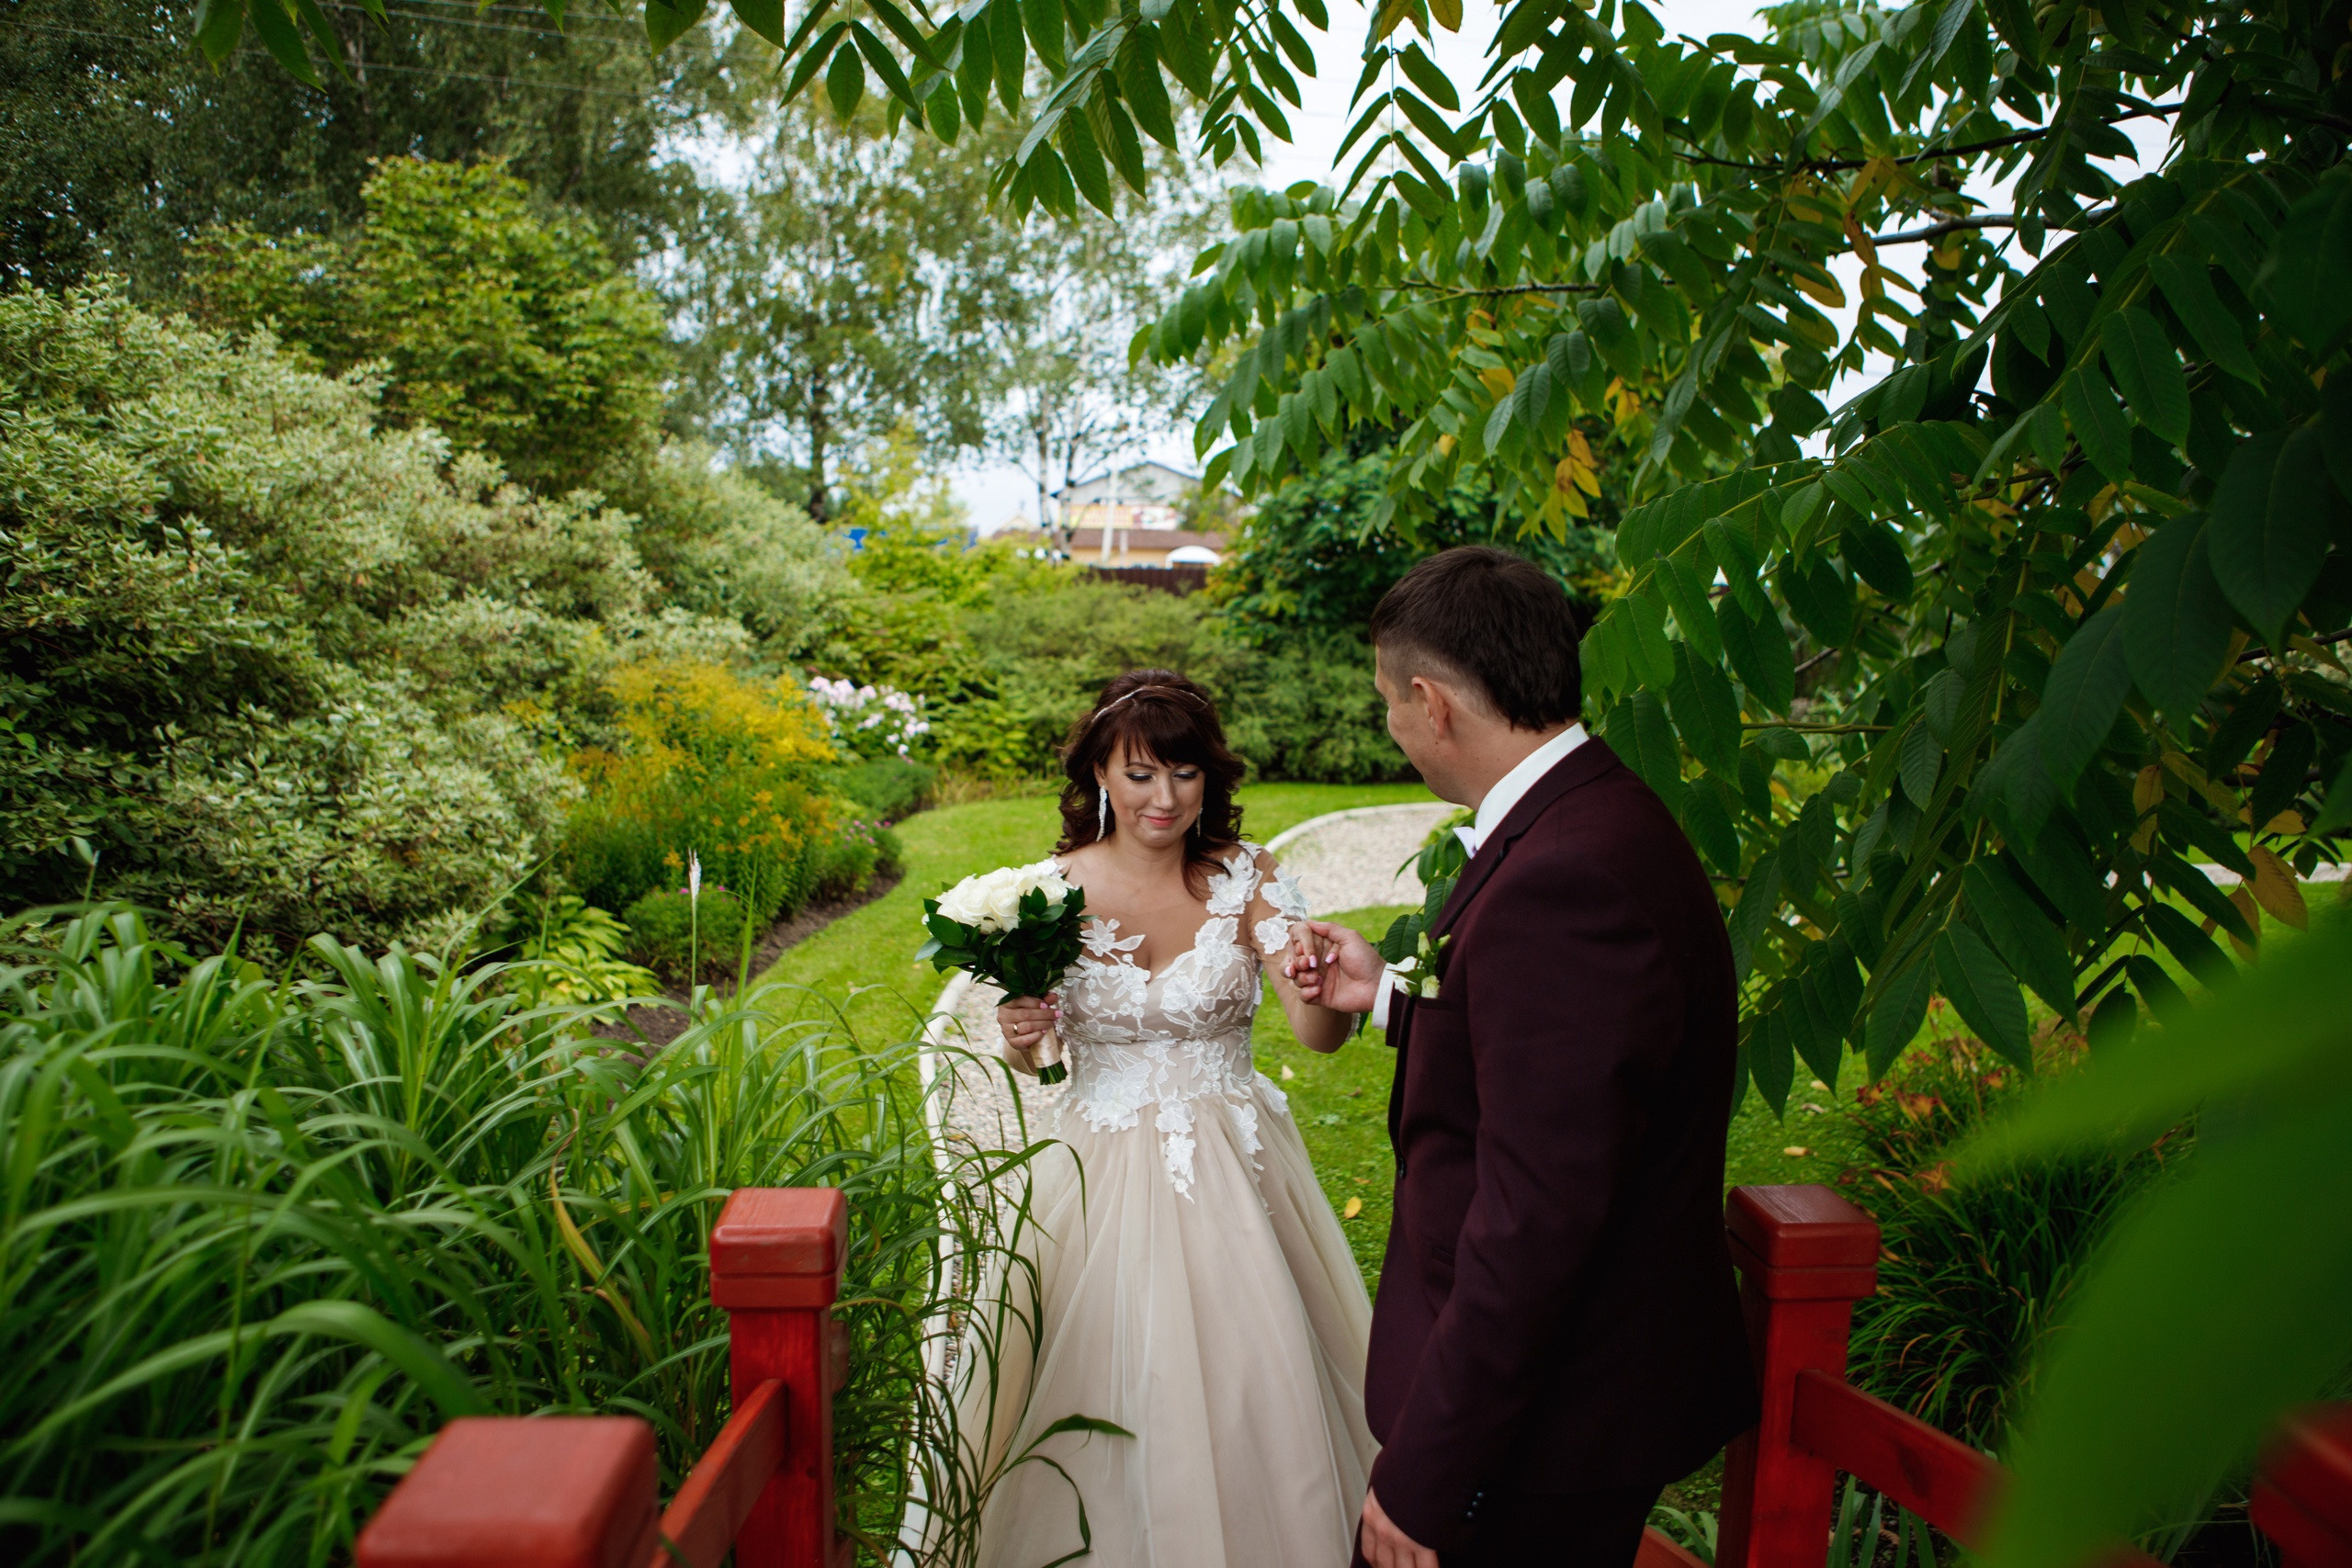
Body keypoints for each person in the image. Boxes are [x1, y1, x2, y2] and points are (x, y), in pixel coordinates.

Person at [1291, 547, 1758, 1568]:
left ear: (1431, 701)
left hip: (1542, 1431)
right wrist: (1390, 997)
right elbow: (1554, 1061)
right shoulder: (1589, 811)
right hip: (1564, 1408)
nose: (1391, 725)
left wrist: (1429, 1473)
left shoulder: (1565, 876)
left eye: (1387, 702)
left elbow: (1537, 1217)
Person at [972, 669, 1378, 1568]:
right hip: (1095, 1169)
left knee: (1253, 1375)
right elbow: (1037, 1057)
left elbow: (1316, 1035)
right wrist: (1021, 1032)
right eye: (1141, 773)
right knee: (1093, 1370)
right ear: (1100, 775)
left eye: (1185, 773)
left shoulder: (1247, 876)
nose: (1165, 797)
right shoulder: (1048, 891)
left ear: (1209, 776)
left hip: (1234, 1168)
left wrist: (1322, 990)